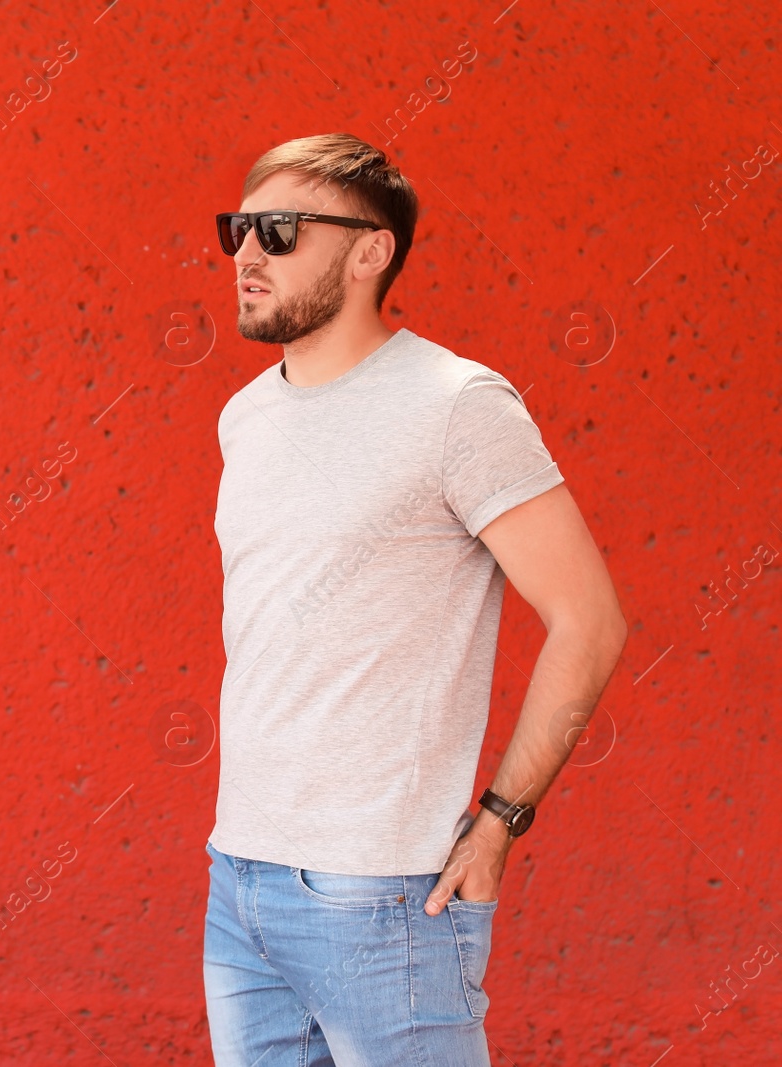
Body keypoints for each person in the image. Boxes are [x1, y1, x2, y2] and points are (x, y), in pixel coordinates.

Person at [203, 133, 628, 1065]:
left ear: (370, 252)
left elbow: (589, 621)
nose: (245, 254)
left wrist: (501, 821)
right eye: (238, 229)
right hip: (239, 879)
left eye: (277, 231)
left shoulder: (456, 404)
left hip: (384, 893)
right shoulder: (245, 416)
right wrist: (236, 866)